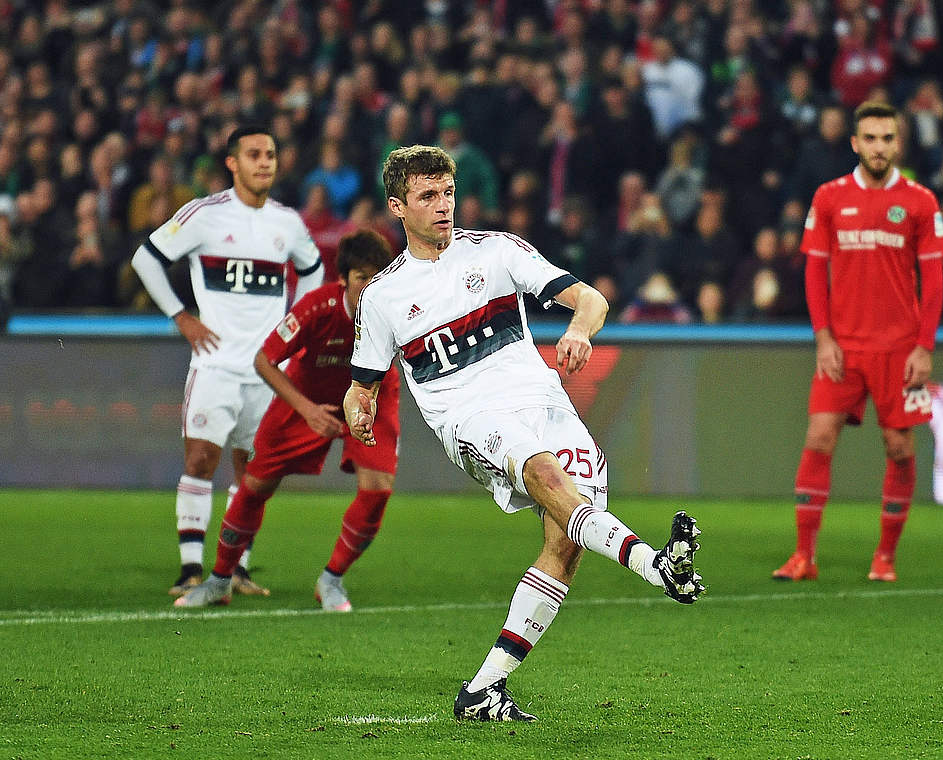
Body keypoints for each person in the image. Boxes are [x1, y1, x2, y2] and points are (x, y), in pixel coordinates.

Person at [342, 146, 703, 722]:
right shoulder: (384, 296)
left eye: (447, 193)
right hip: (469, 416)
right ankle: (658, 566)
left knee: (566, 540)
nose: (443, 207)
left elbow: (591, 298)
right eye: (427, 197)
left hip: (543, 401)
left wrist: (581, 330)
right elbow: (360, 383)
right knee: (545, 474)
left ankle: (484, 690)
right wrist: (357, 406)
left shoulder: (498, 251)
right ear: (397, 207)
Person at [130, 124, 325, 596]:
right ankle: (190, 568)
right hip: (215, 363)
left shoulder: (286, 222)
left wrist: (292, 335)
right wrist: (182, 317)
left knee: (253, 472)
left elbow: (314, 270)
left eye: (271, 154)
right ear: (232, 163)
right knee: (200, 459)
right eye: (254, 154)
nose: (264, 162)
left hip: (265, 369)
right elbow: (146, 258)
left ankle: (235, 569)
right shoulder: (205, 214)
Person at [174, 229, 401, 611]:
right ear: (343, 278)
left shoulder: (396, 311)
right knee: (256, 484)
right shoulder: (316, 307)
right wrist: (308, 410)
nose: (371, 288)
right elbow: (264, 359)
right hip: (306, 398)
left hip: (370, 395)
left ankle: (332, 580)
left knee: (378, 488)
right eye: (362, 278)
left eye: (379, 278)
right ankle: (219, 580)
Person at [772, 101, 943, 583]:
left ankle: (885, 557)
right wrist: (823, 337)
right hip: (843, 348)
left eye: (887, 138)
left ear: (898, 143)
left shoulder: (920, 201)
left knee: (899, 448)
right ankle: (803, 556)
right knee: (819, 435)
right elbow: (813, 270)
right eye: (869, 138)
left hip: (900, 350)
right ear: (854, 143)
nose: (878, 146)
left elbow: (933, 281)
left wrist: (925, 346)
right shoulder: (829, 197)